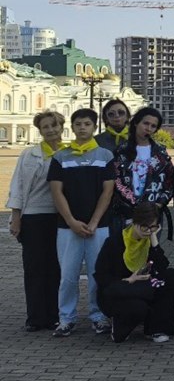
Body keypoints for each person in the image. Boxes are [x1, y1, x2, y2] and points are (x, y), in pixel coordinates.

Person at [47, 108, 116, 337]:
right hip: (68, 228)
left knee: (98, 274)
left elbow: (107, 192)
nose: (82, 128)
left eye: (87, 124)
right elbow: (57, 192)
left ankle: (99, 316)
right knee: (68, 276)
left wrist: (94, 222)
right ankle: (66, 318)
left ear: (94, 127)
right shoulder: (61, 157)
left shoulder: (105, 156)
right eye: (78, 124)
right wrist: (71, 221)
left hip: (99, 227)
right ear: (72, 127)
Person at [7, 110, 66, 332]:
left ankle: (54, 315)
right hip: (33, 216)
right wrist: (16, 218)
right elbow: (18, 185)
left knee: (56, 268)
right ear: (40, 131)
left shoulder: (69, 154)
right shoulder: (29, 154)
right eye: (45, 127)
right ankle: (35, 317)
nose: (50, 130)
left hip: (60, 217)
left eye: (54, 125)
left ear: (61, 127)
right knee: (34, 268)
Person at [94, 202, 174, 342]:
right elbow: (101, 276)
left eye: (153, 227)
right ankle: (120, 326)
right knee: (139, 305)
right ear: (135, 222)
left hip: (143, 287)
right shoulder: (115, 242)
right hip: (119, 289)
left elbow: (162, 267)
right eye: (144, 226)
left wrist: (154, 241)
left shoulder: (148, 241)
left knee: (171, 277)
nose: (148, 231)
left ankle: (155, 329)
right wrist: (129, 280)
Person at [109, 107, 173, 231]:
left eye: (153, 126)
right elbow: (116, 179)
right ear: (136, 123)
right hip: (125, 213)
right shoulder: (121, 151)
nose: (148, 128)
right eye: (145, 123)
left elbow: (170, 181)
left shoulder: (160, 153)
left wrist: (159, 203)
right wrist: (133, 203)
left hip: (152, 213)